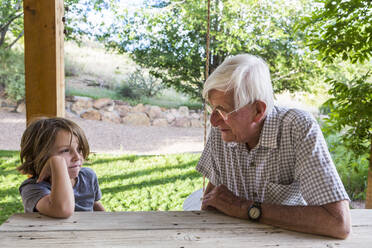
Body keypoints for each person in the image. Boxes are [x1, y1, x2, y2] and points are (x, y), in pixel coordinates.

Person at [196, 54, 351, 239]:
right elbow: (212, 201)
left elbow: (338, 223)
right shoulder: (222, 131)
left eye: (223, 110)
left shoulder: (297, 128)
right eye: (212, 108)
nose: (213, 121)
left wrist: (245, 208)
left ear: (258, 111)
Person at [17, 117, 105, 218]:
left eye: (79, 149)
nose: (77, 157)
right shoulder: (33, 188)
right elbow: (62, 210)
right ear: (38, 155)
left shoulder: (88, 176)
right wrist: (57, 162)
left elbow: (94, 204)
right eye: (65, 150)